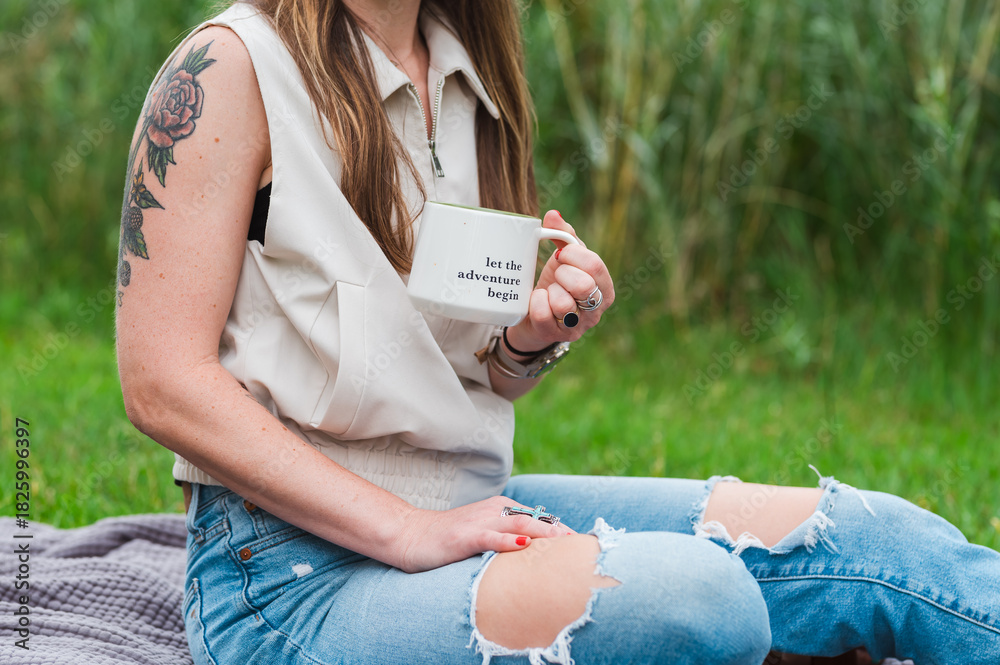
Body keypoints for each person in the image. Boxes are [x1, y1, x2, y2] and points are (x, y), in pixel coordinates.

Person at [114, 1, 1000, 663]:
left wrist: (529, 339)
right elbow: (161, 380)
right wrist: (401, 530)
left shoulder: (467, 71)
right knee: (704, 599)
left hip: (471, 508)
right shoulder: (228, 68)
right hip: (287, 579)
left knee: (879, 542)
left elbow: (466, 371)